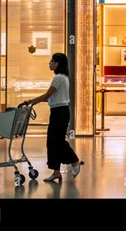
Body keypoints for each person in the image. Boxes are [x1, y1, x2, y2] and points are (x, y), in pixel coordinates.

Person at [24, 53, 83, 183]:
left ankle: (75, 161)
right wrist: (37, 101)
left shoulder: (59, 78)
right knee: (52, 142)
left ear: (57, 64)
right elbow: (53, 98)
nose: (50, 63)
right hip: (59, 111)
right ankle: (56, 172)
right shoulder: (63, 78)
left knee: (58, 141)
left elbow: (47, 95)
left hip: (60, 113)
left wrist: (31, 101)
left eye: (52, 61)